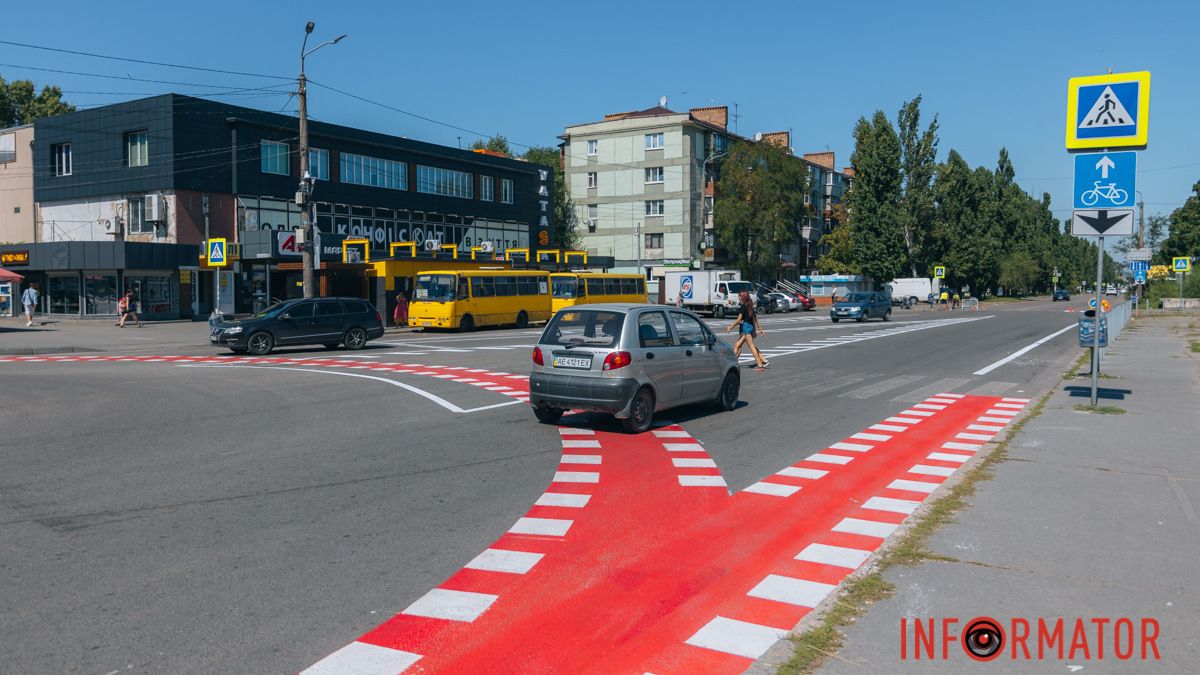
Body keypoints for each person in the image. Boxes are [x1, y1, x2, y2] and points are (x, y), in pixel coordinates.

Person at [726, 290, 768, 370]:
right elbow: (755, 318)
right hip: (749, 327)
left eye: (739, 296)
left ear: (742, 297)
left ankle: (760, 365)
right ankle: (732, 363)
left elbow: (739, 319)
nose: (738, 298)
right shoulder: (750, 305)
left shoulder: (743, 306)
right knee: (737, 344)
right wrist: (760, 329)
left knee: (751, 347)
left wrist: (731, 326)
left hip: (745, 327)